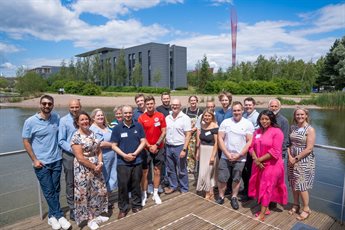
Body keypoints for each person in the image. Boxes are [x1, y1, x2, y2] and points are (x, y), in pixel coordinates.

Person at [23, 95, 71, 230]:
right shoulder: (30, 121)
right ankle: (59, 215)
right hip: (41, 163)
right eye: (44, 103)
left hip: (56, 160)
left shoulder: (56, 118)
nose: (47, 106)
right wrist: (34, 160)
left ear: (53, 105)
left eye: (49, 104)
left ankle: (51, 217)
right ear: (40, 105)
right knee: (48, 191)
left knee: (56, 189)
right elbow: (26, 141)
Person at [71, 111, 109, 230]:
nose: (85, 121)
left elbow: (98, 150)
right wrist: (94, 167)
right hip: (83, 170)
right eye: (81, 120)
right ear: (77, 122)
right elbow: (80, 158)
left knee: (97, 191)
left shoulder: (92, 133)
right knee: (85, 193)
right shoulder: (76, 137)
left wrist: (100, 162)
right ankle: (89, 219)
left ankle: (96, 214)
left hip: (96, 166)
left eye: (86, 119)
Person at [248, 110, 288, 221]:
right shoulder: (257, 132)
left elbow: (275, 151)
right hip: (258, 164)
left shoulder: (277, 132)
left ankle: (261, 215)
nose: (264, 121)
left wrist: (259, 160)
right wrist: (256, 160)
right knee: (260, 186)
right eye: (262, 119)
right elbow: (251, 147)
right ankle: (266, 208)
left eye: (266, 119)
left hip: (272, 165)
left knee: (267, 187)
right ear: (259, 120)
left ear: (271, 120)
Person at [216, 102, 254, 210]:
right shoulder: (226, 122)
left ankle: (234, 197)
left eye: (238, 110)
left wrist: (240, 154)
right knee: (222, 178)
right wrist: (227, 153)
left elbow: (250, 141)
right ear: (231, 111)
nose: (236, 112)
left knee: (236, 179)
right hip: (225, 156)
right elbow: (220, 138)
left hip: (240, 158)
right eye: (234, 110)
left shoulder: (248, 124)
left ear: (242, 111)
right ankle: (221, 196)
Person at [111, 105, 146, 219]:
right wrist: (124, 155)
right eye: (125, 113)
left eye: (130, 113)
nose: (127, 115)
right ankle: (123, 208)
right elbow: (113, 145)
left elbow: (143, 141)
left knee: (136, 184)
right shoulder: (117, 128)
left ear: (132, 113)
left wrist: (135, 153)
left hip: (137, 160)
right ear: (122, 114)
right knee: (123, 186)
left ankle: (136, 205)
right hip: (122, 162)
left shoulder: (138, 126)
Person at [287, 108, 316, 221]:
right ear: (294, 116)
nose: (299, 116)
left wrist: (296, 158)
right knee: (293, 182)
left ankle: (306, 209)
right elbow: (288, 144)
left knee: (302, 184)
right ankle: (295, 204)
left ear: (306, 115)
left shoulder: (310, 129)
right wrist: (290, 157)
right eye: (297, 114)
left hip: (304, 160)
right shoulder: (292, 127)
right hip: (291, 158)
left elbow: (309, 148)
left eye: (302, 114)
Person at [138, 96, 166, 206]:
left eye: (151, 104)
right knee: (145, 172)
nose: (150, 106)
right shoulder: (141, 118)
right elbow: (141, 135)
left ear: (154, 104)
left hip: (159, 147)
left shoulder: (160, 116)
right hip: (146, 149)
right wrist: (149, 146)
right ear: (145, 105)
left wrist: (157, 144)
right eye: (148, 104)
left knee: (157, 171)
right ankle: (144, 194)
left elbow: (163, 132)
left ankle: (155, 193)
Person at [58, 99, 81, 221]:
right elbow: (61, 140)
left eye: (77, 107)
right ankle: (73, 208)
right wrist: (74, 150)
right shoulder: (63, 121)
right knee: (70, 183)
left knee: (82, 181)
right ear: (69, 107)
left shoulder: (83, 118)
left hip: (84, 156)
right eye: (72, 107)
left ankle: (83, 205)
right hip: (69, 156)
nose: (75, 109)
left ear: (80, 107)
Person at [164, 99, 192, 194]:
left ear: (180, 106)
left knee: (181, 168)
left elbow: (188, 134)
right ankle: (173, 185)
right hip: (168, 146)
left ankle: (184, 188)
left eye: (176, 105)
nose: (174, 106)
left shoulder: (185, 118)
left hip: (180, 146)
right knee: (170, 168)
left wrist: (184, 149)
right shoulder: (167, 118)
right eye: (173, 105)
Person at [90, 109, 118, 196]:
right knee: (102, 179)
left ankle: (108, 198)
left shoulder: (105, 126)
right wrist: (113, 145)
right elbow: (100, 144)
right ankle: (102, 200)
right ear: (93, 117)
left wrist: (111, 144)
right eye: (98, 115)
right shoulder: (93, 129)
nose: (100, 117)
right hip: (103, 157)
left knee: (112, 178)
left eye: (102, 115)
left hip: (112, 157)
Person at [196, 109, 218, 200]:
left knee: (207, 173)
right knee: (203, 173)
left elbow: (217, 143)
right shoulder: (202, 125)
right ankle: (211, 192)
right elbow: (200, 140)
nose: (207, 117)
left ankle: (208, 192)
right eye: (205, 116)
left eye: (209, 116)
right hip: (202, 150)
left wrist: (213, 156)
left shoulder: (215, 126)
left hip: (211, 151)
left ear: (212, 117)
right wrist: (198, 152)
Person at [241, 97, 260, 201]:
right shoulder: (244, 115)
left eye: (250, 105)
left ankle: (250, 192)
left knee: (250, 171)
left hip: (252, 149)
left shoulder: (257, 117)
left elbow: (256, 133)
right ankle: (246, 189)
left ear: (254, 105)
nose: (248, 106)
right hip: (244, 147)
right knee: (243, 169)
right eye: (246, 105)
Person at [182, 95, 203, 177]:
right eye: (191, 100)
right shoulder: (185, 110)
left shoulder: (200, 111)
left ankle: (193, 169)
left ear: (197, 101)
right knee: (186, 151)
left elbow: (200, 124)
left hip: (194, 135)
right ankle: (186, 168)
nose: (193, 102)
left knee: (194, 152)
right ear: (189, 102)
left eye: (194, 100)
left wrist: (193, 129)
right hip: (186, 135)